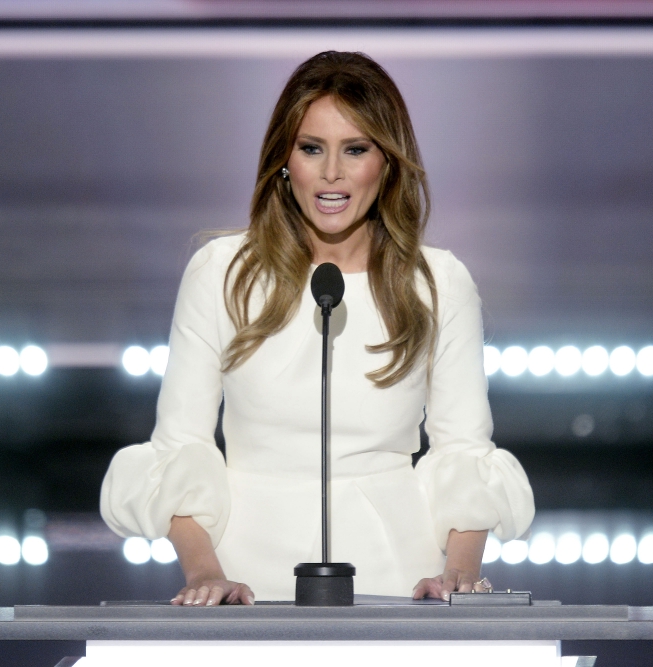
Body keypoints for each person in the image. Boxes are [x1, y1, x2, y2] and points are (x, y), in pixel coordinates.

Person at [100, 51, 534, 606]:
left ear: (388, 162)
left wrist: (457, 577)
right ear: (285, 159)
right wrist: (204, 574)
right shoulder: (222, 273)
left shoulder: (438, 284)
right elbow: (181, 444)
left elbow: (463, 452)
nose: (332, 173)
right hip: (245, 583)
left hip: (399, 579)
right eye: (312, 149)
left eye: (355, 150)